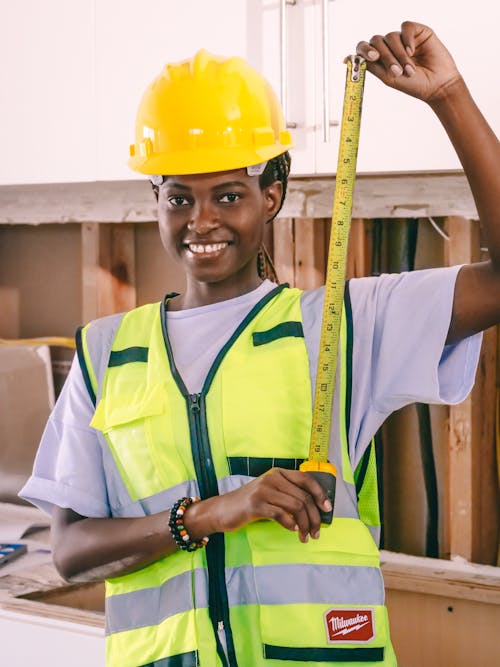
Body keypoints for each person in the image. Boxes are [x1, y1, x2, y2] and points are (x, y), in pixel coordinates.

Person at [20, 21, 499, 667]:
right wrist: (212, 513)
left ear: (270, 196)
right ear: (154, 200)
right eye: (179, 197)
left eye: (228, 195)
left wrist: (450, 97)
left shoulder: (343, 325)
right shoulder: (106, 353)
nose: (203, 221)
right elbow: (72, 550)